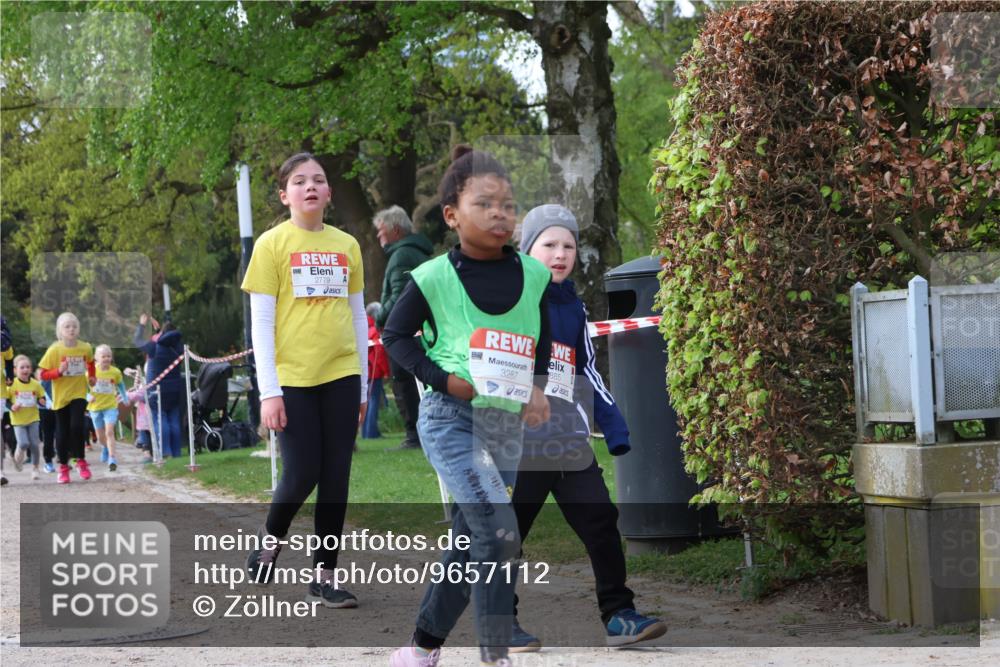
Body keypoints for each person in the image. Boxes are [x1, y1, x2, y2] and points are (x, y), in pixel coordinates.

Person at [383, 145, 552, 667]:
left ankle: (420, 649)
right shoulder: (431, 277)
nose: (500, 212)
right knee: (499, 532)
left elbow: (537, 333)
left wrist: (537, 386)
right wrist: (445, 381)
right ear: (453, 215)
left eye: (508, 203)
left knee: (473, 539)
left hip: (505, 426)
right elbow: (395, 335)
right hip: (451, 421)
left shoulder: (534, 274)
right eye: (485, 203)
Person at [509, 204, 667, 652]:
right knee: (507, 534)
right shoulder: (512, 300)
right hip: (520, 442)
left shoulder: (575, 308)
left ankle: (619, 616)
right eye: (549, 245)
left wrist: (612, 424)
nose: (560, 254)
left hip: (568, 440)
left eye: (568, 246)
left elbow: (588, 373)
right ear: (528, 250)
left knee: (600, 521)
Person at [241, 152, 368, 609]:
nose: (310, 186)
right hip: (291, 379)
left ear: (330, 192)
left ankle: (324, 576)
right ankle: (271, 539)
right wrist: (268, 391)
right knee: (301, 474)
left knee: (336, 477)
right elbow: (260, 323)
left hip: (342, 374)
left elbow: (357, 318)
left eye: (318, 180)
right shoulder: (271, 245)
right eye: (299, 181)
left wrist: (364, 386)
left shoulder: (347, 245)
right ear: (285, 194)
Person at [373, 205, 433, 450]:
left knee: (405, 383)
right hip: (422, 331)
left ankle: (414, 436)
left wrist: (380, 316)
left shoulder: (401, 256)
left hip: (404, 333)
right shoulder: (419, 253)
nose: (379, 237)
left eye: (381, 231)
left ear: (395, 230)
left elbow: (399, 297)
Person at [38, 312, 96, 484]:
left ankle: (81, 461)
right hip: (60, 397)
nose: (71, 329)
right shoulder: (55, 349)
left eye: (74, 326)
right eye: (67, 326)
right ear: (60, 331)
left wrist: (92, 377)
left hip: (78, 393)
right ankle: (63, 467)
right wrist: (58, 371)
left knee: (77, 425)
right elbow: (42, 374)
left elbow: (91, 362)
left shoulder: (85, 347)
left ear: (79, 329)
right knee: (62, 432)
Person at [134, 315, 184, 458]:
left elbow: (137, 341)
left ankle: (165, 452)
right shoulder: (179, 348)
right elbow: (166, 340)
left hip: (156, 391)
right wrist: (158, 330)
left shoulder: (153, 347)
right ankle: (176, 453)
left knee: (160, 420)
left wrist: (142, 325)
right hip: (174, 390)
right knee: (174, 420)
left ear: (162, 334)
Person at [87, 344, 129, 471]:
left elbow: (121, 385)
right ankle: (105, 448)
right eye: (103, 356)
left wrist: (125, 397)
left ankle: (112, 458)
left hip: (110, 406)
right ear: (96, 358)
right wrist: (88, 396)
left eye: (108, 356)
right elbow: (80, 388)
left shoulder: (115, 372)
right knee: (100, 437)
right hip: (95, 408)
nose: (106, 358)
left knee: (109, 432)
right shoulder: (90, 372)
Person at [8, 355, 47, 480]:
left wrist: (42, 401)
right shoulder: (12, 385)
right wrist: (12, 406)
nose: (25, 370)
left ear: (31, 370)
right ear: (15, 370)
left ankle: (35, 469)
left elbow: (42, 397)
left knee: (35, 444)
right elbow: (6, 400)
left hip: (33, 418)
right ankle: (17, 459)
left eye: (28, 367)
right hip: (18, 420)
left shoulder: (36, 384)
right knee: (23, 443)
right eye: (22, 367)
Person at [361, 302, 390, 440]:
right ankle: (371, 432)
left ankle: (367, 432)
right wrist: (386, 371)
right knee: (373, 402)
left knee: (367, 401)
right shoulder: (374, 331)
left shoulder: (364, 328)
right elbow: (380, 353)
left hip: (366, 370)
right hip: (374, 372)